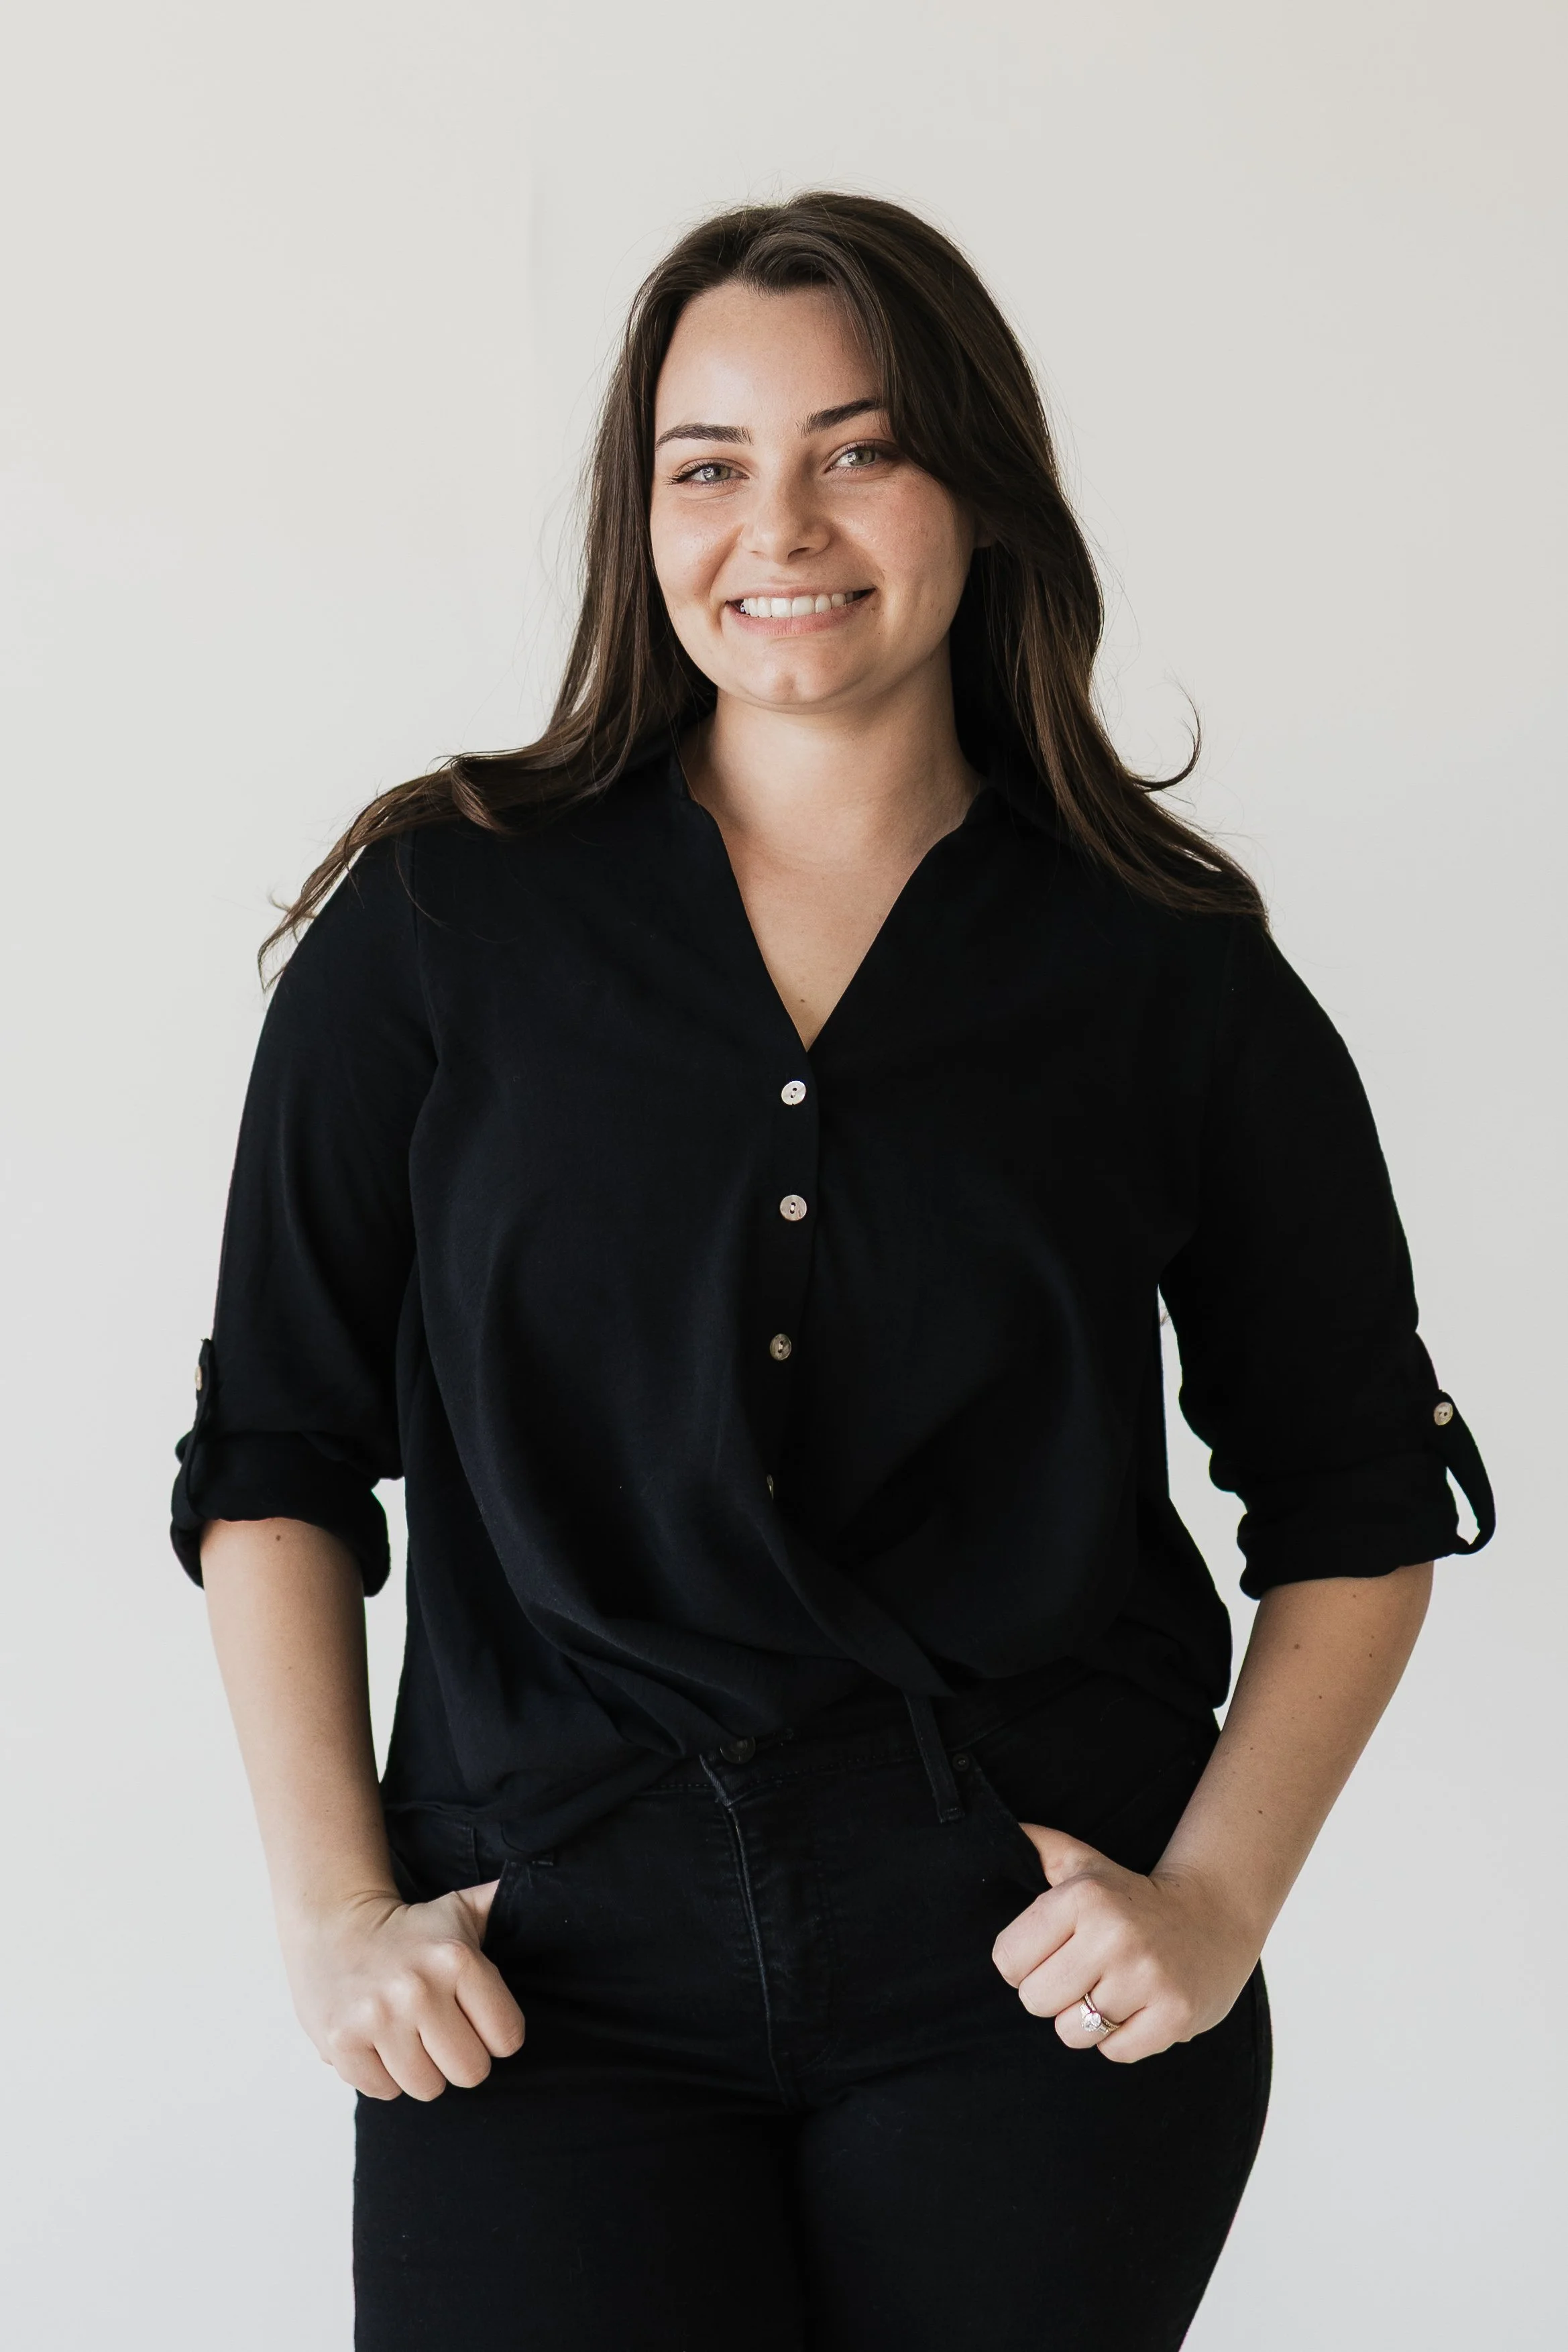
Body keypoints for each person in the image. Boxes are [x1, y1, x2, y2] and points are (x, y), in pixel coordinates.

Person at [173, 192, 1493, 2352]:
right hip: (540, 1968)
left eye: (858, 449)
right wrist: (335, 1917)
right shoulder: (440, 924)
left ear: (980, 489)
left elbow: (1357, 1495)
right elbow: (275, 1457)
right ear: (643, 520)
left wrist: (1216, 1899)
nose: (776, 525)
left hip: (1022, 1981)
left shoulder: (1170, 975)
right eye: (707, 464)